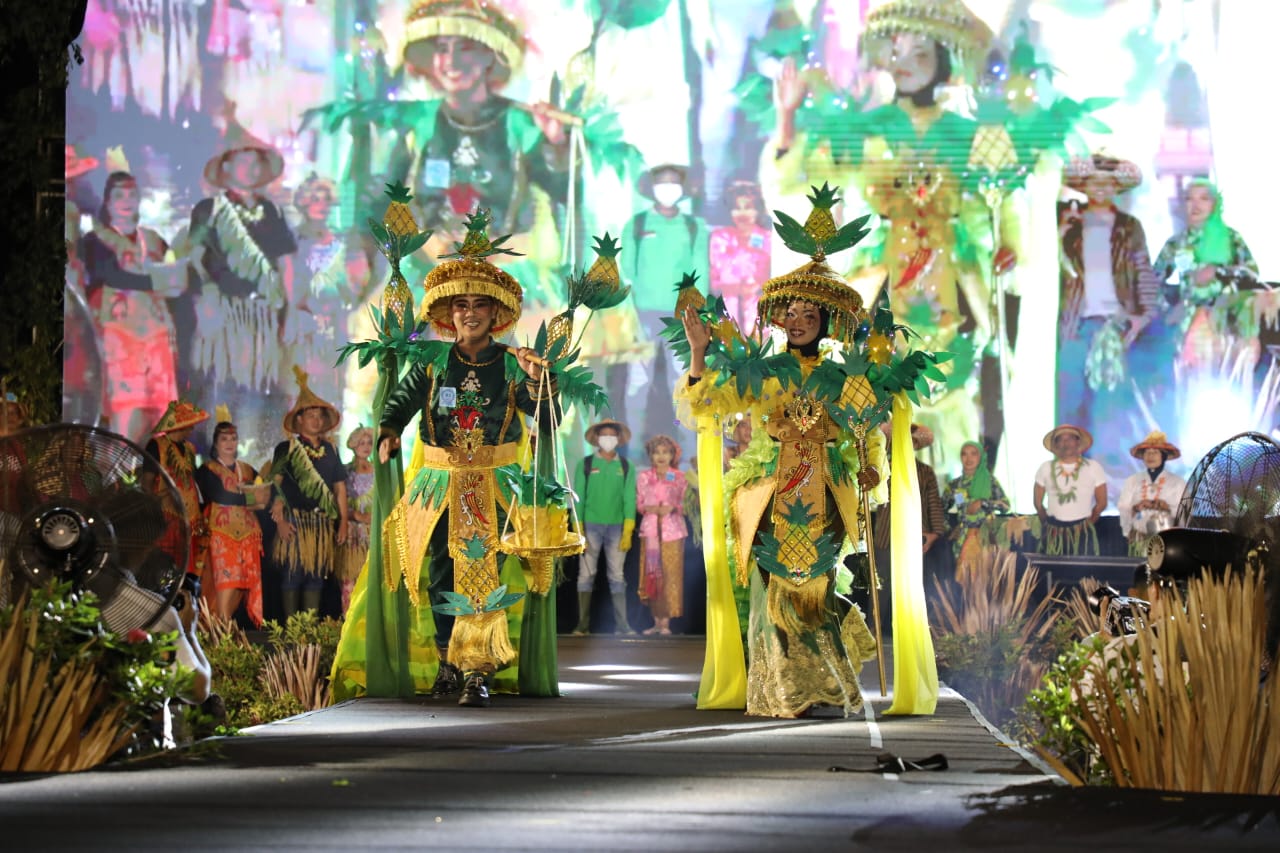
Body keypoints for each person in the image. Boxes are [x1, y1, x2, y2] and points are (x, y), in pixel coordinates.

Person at [676, 189, 908, 718]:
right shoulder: (764, 371)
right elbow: (707, 402)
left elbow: (867, 430)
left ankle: (827, 689)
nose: (799, 319)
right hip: (767, 493)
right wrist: (697, 352)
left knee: (816, 592)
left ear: (827, 321)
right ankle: (785, 693)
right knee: (776, 588)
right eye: (793, 311)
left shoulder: (842, 376)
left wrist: (873, 467)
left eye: (810, 312)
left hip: (825, 495)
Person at [769, 0, 1010, 474]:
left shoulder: (969, 133)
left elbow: (995, 205)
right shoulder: (866, 130)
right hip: (886, 274)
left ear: (942, 62)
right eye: (898, 52)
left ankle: (953, 505)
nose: (905, 63)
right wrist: (787, 119)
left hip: (951, 276)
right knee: (878, 382)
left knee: (953, 383)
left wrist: (1004, 244)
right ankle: (878, 506)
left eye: (921, 53)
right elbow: (807, 183)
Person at [356, 213, 555, 708]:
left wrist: (535, 380)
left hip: (493, 483)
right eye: (461, 305)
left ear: (495, 313)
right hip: (439, 481)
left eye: (480, 305)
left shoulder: (513, 361)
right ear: (449, 312)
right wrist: (386, 430)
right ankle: (448, 661)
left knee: (484, 572)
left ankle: (479, 670)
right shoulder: (431, 360)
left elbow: (545, 416)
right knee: (441, 572)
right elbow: (401, 402)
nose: (470, 313)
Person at [390, 0, 568, 268]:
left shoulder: (521, 125)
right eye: (442, 49)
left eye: (465, 49)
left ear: (489, 56)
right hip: (431, 275)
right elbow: (384, 198)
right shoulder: (419, 125)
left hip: (506, 277)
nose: (451, 61)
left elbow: (565, 192)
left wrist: (558, 143)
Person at [186, 122, 296, 452]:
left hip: (262, 317)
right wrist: (203, 302)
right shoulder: (209, 210)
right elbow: (194, 259)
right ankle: (213, 477)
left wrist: (288, 313)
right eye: (242, 160)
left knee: (255, 396)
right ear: (227, 166)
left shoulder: (272, 212)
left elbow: (286, 265)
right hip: (223, 316)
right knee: (219, 393)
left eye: (255, 161)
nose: (250, 167)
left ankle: (246, 475)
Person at [1056, 154, 1161, 477]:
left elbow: (1143, 271)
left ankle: (1103, 480)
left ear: (1116, 187)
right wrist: (1059, 236)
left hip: (1113, 326)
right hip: (1075, 324)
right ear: (1083, 186)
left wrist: (1143, 315)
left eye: (1107, 181)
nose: (1100, 187)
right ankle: (1066, 476)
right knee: (1070, 398)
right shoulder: (1068, 225)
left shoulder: (1129, 227)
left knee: (1109, 404)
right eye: (1093, 180)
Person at [79, 171, 180, 445]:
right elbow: (112, 276)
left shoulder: (154, 240)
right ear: (108, 203)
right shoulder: (95, 241)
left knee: (164, 413)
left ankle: (161, 481)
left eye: (132, 194)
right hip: (119, 337)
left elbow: (177, 280)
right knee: (127, 412)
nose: (126, 201)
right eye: (119, 195)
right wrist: (156, 279)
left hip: (157, 337)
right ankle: (120, 481)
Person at [1153, 179, 1260, 370]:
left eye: (1204, 199)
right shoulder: (1175, 244)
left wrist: (1218, 272)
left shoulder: (1231, 239)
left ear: (1214, 204)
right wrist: (1170, 309)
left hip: (1230, 328)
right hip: (1187, 332)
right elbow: (1153, 284)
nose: (1196, 205)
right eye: (1189, 199)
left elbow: (1252, 275)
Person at [269, 368, 348, 618]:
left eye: (319, 416)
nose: (316, 420)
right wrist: (279, 520)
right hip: (294, 521)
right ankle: (293, 632)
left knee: (316, 579)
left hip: (322, 524)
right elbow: (275, 483)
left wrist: (343, 521)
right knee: (293, 576)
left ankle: (310, 634)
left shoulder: (331, 450)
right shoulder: (287, 448)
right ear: (299, 420)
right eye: (310, 415)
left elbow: (340, 488)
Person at [195, 415, 268, 625]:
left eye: (233, 438)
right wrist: (248, 497)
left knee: (239, 586)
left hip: (247, 535)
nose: (229, 443)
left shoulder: (246, 469)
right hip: (221, 534)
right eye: (224, 439)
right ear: (216, 443)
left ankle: (225, 628)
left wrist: (269, 499)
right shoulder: (207, 470)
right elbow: (219, 495)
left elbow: (264, 493)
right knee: (224, 584)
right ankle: (219, 629)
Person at [572, 419, 638, 636]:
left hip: (617, 527)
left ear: (618, 439)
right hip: (590, 525)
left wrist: (628, 528)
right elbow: (578, 497)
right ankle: (582, 626)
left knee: (617, 576)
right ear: (597, 439)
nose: (608, 439)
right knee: (585, 575)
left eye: (612, 435)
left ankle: (622, 626)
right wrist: (578, 528)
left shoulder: (627, 466)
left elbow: (630, 498)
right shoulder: (586, 464)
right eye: (604, 435)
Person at [145, 401, 210, 589]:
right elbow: (147, 482)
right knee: (166, 567)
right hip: (167, 514)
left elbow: (192, 480)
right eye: (190, 424)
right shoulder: (156, 445)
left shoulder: (190, 448)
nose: (192, 428)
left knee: (188, 570)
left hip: (190, 518)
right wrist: (153, 511)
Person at [637, 435, 688, 636]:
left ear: (672, 455)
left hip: (672, 532)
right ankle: (656, 622)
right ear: (650, 455)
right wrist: (648, 508)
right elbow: (639, 503)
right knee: (652, 574)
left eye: (665, 452)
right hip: (650, 531)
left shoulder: (679, 477)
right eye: (656, 452)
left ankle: (666, 622)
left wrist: (672, 508)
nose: (661, 456)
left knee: (670, 574)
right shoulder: (644, 477)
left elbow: (685, 504)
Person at [1033, 424, 1108, 556]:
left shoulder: (1093, 467)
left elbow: (1102, 503)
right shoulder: (1045, 467)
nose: (1065, 443)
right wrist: (1048, 523)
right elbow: (1038, 503)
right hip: (1053, 532)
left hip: (1083, 532)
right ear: (1055, 445)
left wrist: (1087, 525)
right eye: (1060, 439)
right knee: (1052, 572)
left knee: (1083, 572)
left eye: (1069, 439)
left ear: (1078, 442)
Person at [708, 179, 770, 334]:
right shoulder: (719, 237)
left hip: (760, 310)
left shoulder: (767, 238)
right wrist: (737, 289)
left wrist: (756, 287)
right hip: (727, 308)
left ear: (758, 210)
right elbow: (714, 278)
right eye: (737, 208)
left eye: (748, 207)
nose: (742, 214)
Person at [943, 440, 1011, 571]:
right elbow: (940, 510)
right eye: (964, 454)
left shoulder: (990, 481)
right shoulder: (954, 485)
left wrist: (983, 503)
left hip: (987, 537)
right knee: (964, 580)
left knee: (985, 581)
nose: (968, 458)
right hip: (962, 540)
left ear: (980, 457)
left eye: (973, 454)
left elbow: (1005, 506)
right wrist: (949, 530)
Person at [1117, 431, 1186, 557]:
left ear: (1163, 456)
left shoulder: (1178, 482)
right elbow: (1123, 507)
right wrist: (1135, 509)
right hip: (1139, 538)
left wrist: (1166, 506)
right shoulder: (1132, 480)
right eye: (1147, 452)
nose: (1150, 456)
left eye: (1155, 452)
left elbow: (1184, 511)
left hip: (1167, 541)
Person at [340, 425, 375, 614]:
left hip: (372, 532)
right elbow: (338, 498)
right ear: (353, 445)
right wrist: (354, 514)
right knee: (350, 578)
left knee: (370, 578)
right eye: (362, 443)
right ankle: (349, 619)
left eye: (369, 442)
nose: (366, 446)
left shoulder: (379, 471)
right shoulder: (345, 472)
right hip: (352, 532)